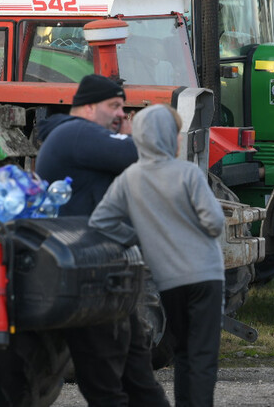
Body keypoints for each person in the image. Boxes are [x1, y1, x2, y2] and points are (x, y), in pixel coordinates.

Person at [35, 73, 169, 407]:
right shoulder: (76, 132)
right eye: (115, 106)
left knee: (136, 377)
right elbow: (145, 155)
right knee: (105, 382)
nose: (122, 113)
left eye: (123, 107)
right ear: (89, 107)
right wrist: (131, 136)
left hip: (105, 272)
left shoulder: (78, 135)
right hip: (87, 277)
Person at [90, 105, 225, 407]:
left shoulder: (129, 179)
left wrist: (137, 238)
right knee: (202, 355)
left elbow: (100, 222)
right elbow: (214, 222)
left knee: (183, 354)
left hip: (168, 281)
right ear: (168, 137)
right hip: (204, 276)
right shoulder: (187, 173)